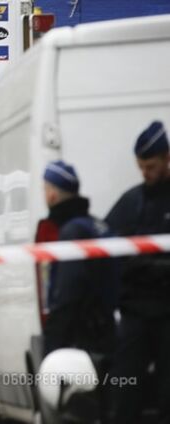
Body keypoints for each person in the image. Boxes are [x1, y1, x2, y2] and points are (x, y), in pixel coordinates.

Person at [105, 121, 170, 424]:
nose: (146, 173)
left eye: (151, 166)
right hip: (135, 314)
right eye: (141, 166)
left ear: (167, 158)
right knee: (124, 389)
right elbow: (104, 249)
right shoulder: (131, 202)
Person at [40, 161, 116, 356]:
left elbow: (67, 293)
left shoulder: (72, 232)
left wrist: (53, 343)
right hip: (107, 333)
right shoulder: (97, 225)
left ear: (51, 195)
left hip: (83, 340)